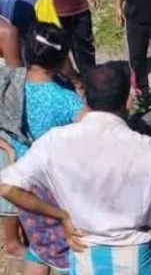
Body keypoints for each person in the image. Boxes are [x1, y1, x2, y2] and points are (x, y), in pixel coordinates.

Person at [0, 63, 151, 275]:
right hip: (136, 258)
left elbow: (7, 188)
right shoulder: (150, 148)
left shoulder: (54, 141)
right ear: (127, 101)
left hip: (85, 254)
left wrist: (61, 216)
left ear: (85, 99)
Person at [0, 22, 83, 274]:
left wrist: (6, 146)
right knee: (63, 251)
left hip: (21, 181)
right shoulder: (68, 100)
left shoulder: (9, 82)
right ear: (60, 62)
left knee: (38, 246)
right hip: (53, 187)